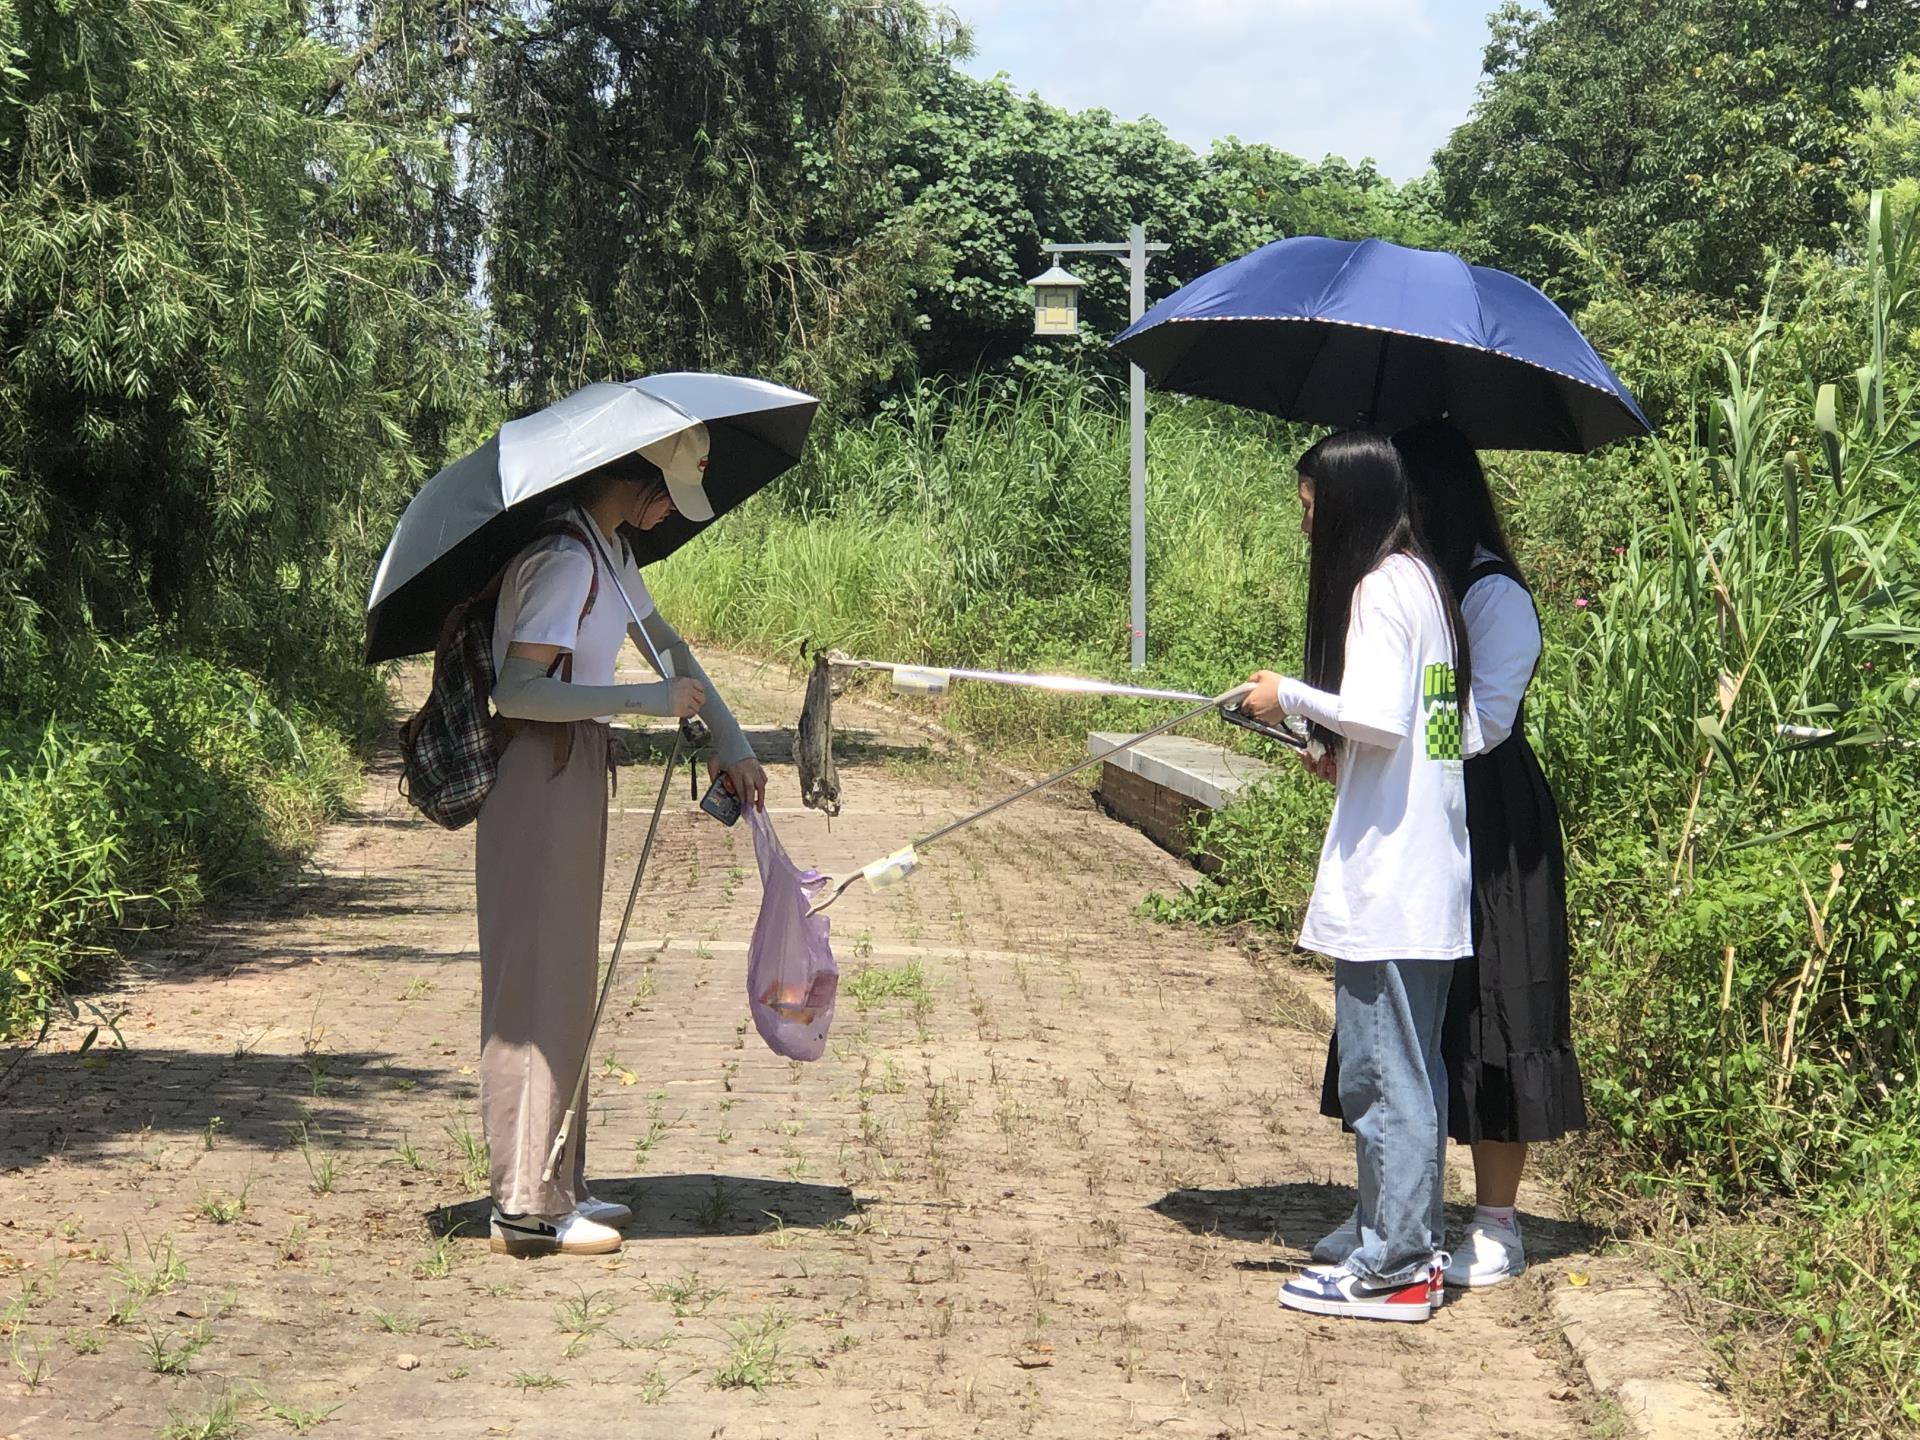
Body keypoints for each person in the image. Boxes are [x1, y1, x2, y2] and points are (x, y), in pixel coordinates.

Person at [1310, 421, 1584, 1289]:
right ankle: (1393, 1208)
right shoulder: (1415, 583)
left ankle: (1496, 1221)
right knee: (1405, 1027)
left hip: (1493, 822)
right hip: (1423, 810)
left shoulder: (1491, 593)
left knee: (1495, 1014)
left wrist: (1380, 742)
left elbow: (1478, 721)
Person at [476, 443, 768, 1257]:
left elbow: (665, 643)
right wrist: (644, 700)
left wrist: (731, 741)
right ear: (632, 477)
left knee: (566, 979)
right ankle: (523, 1208)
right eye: (666, 491)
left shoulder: (608, 550)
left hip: (573, 767)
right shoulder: (564, 559)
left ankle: (556, 1183)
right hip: (537, 771)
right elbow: (516, 690)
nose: (671, 509)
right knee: (535, 983)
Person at [1242, 430, 1476, 1324]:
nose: (1305, 525)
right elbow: (1438, 734)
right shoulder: (1426, 582)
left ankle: (1396, 1267)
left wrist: (1290, 696)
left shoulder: (1380, 587)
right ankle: (1404, 1244)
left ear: (1345, 503)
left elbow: (1380, 718)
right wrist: (1348, 757)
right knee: (1412, 1074)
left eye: (1309, 507)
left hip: (1391, 883)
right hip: (1427, 873)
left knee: (1383, 1079)